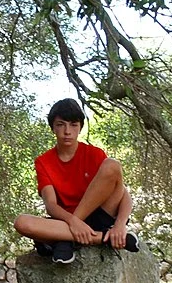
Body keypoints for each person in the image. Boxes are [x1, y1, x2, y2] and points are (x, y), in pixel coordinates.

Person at [13, 98, 139, 264]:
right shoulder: (43, 162)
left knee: (112, 165)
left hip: (99, 215)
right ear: (52, 127)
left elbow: (123, 194)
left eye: (73, 124)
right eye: (60, 124)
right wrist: (74, 223)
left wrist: (120, 225)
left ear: (80, 127)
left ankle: (64, 239)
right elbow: (51, 205)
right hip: (67, 220)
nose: (67, 131)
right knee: (22, 222)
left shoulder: (94, 154)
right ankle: (102, 238)